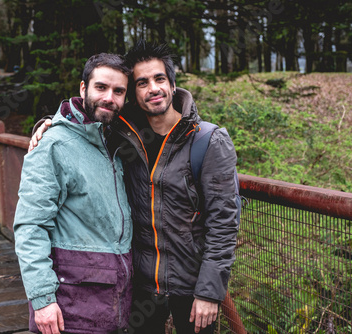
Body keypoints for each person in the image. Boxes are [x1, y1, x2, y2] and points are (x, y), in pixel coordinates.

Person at [30, 41, 239, 334]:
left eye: (159, 79)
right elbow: (86, 117)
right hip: (139, 288)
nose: (153, 88)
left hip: (192, 287)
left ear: (173, 84)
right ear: (134, 94)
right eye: (142, 83)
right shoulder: (122, 133)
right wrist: (50, 123)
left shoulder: (207, 140)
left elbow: (224, 223)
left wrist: (209, 291)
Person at [14, 53, 133, 334]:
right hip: (71, 309)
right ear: (83, 88)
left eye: (118, 91)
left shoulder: (116, 138)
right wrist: (42, 300)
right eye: (101, 87)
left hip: (114, 305)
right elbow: (30, 226)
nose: (109, 98)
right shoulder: (53, 146)